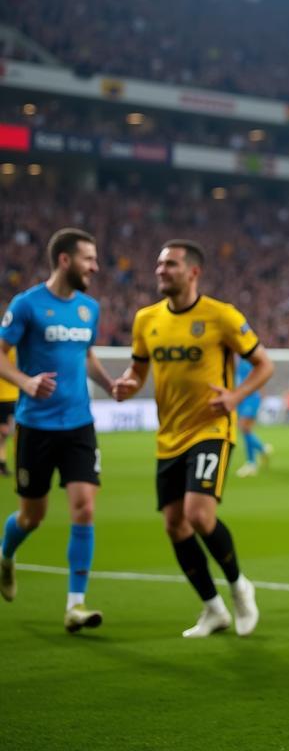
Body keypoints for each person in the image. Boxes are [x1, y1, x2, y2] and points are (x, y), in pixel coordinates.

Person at [112, 240, 273, 638]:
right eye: (159, 264)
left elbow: (263, 364)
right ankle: (212, 609)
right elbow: (138, 372)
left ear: (193, 272)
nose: (160, 271)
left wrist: (235, 397)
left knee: (198, 516)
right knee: (174, 526)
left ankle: (239, 587)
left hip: (211, 429)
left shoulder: (221, 316)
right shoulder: (145, 319)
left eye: (170, 264)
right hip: (169, 435)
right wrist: (126, 386)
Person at [0, 228, 116, 632]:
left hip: (79, 425)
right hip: (36, 426)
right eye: (89, 259)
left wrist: (109, 384)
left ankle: (75, 605)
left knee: (84, 506)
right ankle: (6, 555)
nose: (95, 267)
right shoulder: (27, 305)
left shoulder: (89, 309)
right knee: (32, 517)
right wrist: (26, 382)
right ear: (65, 260)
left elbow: (85, 355)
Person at [235, 353, 272, 478]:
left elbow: (260, 374)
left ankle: (255, 458)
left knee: (244, 427)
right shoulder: (238, 359)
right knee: (245, 430)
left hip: (251, 397)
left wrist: (261, 394)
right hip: (242, 398)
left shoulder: (249, 358)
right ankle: (258, 453)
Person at [0, 347, 16, 476]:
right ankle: (2, 463)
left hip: (14, 396)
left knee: (9, 432)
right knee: (4, 432)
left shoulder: (15, 349)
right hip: (3, 397)